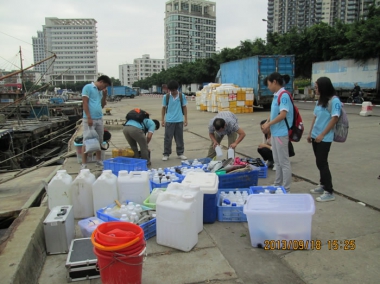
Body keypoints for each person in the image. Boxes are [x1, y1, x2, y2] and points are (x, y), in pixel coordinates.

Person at [307, 77, 340, 202]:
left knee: (322, 163)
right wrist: (310, 133)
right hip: (316, 136)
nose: (315, 89)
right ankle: (322, 184)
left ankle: (329, 191)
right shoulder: (320, 101)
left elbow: (334, 119)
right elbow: (315, 118)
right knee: (319, 162)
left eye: (316, 87)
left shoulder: (334, 101)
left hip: (325, 138)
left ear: (323, 87)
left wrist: (322, 134)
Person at [262, 72, 293, 193]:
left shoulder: (284, 95)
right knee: (277, 160)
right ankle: (277, 184)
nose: (268, 87)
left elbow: (283, 114)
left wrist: (269, 124)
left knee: (283, 162)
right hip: (275, 132)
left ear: (274, 82)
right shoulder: (276, 95)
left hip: (281, 132)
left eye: (269, 84)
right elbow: (273, 113)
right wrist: (267, 122)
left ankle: (286, 188)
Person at [81, 75, 111, 169]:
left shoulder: (100, 92)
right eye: (105, 85)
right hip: (89, 118)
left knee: (100, 140)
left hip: (99, 118)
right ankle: (84, 163)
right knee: (87, 140)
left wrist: (105, 95)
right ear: (101, 82)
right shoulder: (88, 87)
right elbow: (85, 103)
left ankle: (98, 160)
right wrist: (89, 117)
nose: (104, 88)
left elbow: (102, 105)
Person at [161, 80, 188, 161]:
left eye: (174, 90)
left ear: (177, 89)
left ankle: (180, 153)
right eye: (171, 90)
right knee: (168, 138)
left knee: (179, 138)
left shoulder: (181, 96)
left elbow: (184, 107)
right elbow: (163, 108)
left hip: (179, 120)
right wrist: (162, 119)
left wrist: (186, 119)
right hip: (169, 120)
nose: (173, 92)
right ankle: (166, 154)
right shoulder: (166, 97)